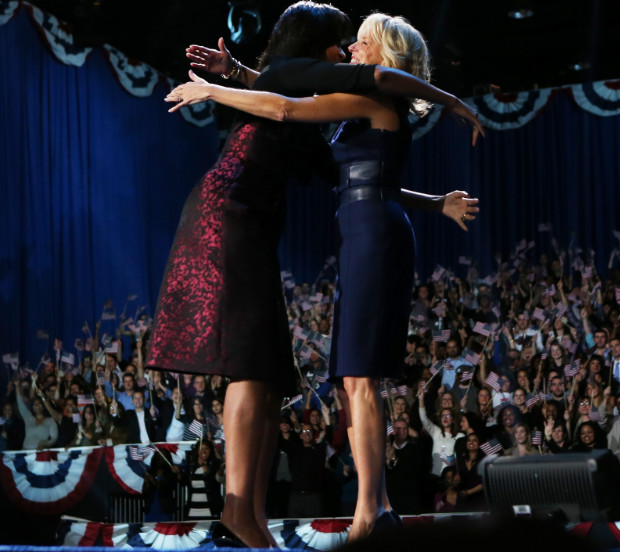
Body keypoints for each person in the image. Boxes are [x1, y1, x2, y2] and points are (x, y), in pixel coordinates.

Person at [155, 2, 482, 545]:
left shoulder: (370, 98)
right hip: (349, 226)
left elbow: (288, 104)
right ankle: (354, 510)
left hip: (366, 231)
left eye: (361, 41)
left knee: (355, 375)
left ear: (385, 54)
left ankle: (369, 512)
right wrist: (438, 203)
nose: (350, 49)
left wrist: (216, 88)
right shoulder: (352, 108)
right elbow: (294, 99)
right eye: (345, 41)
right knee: (343, 377)